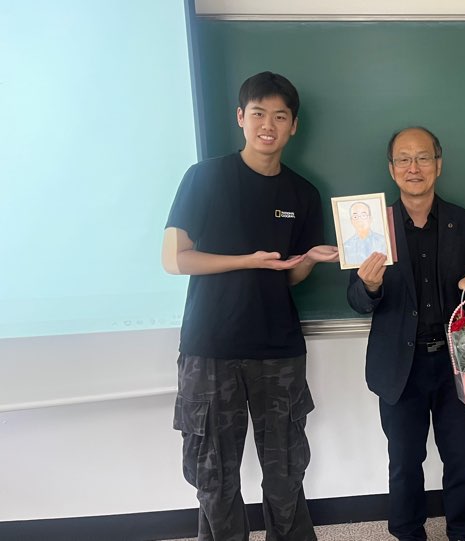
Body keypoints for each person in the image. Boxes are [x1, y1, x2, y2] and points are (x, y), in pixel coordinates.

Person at [161, 71, 339, 541]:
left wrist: (306, 260)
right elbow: (175, 259)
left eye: (280, 116)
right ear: (241, 117)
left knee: (286, 473)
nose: (268, 125)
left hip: (278, 348)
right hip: (210, 347)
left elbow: (291, 274)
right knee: (214, 477)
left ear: (293, 126)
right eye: (258, 113)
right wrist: (248, 261)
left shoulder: (303, 193)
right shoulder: (204, 177)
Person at [347, 127, 465, 541]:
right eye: (404, 159)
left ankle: (463, 532)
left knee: (460, 458)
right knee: (404, 462)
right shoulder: (371, 227)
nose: (414, 167)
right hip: (399, 365)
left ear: (438, 165)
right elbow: (356, 301)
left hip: (454, 362)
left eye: (423, 158)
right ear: (392, 169)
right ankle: (408, 534)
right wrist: (369, 286)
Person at [342, 201, 388, 265]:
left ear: (370, 218)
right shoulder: (346, 246)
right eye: (355, 217)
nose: (360, 220)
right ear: (351, 221)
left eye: (363, 215)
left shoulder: (383, 241)